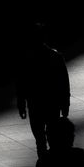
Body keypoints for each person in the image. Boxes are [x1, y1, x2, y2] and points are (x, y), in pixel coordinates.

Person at [16, 23, 71, 157]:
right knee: (54, 137)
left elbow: (21, 84)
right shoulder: (55, 56)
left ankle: (44, 165)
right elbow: (64, 82)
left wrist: (21, 104)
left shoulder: (26, 59)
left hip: (35, 104)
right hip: (52, 103)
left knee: (40, 141)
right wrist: (65, 103)